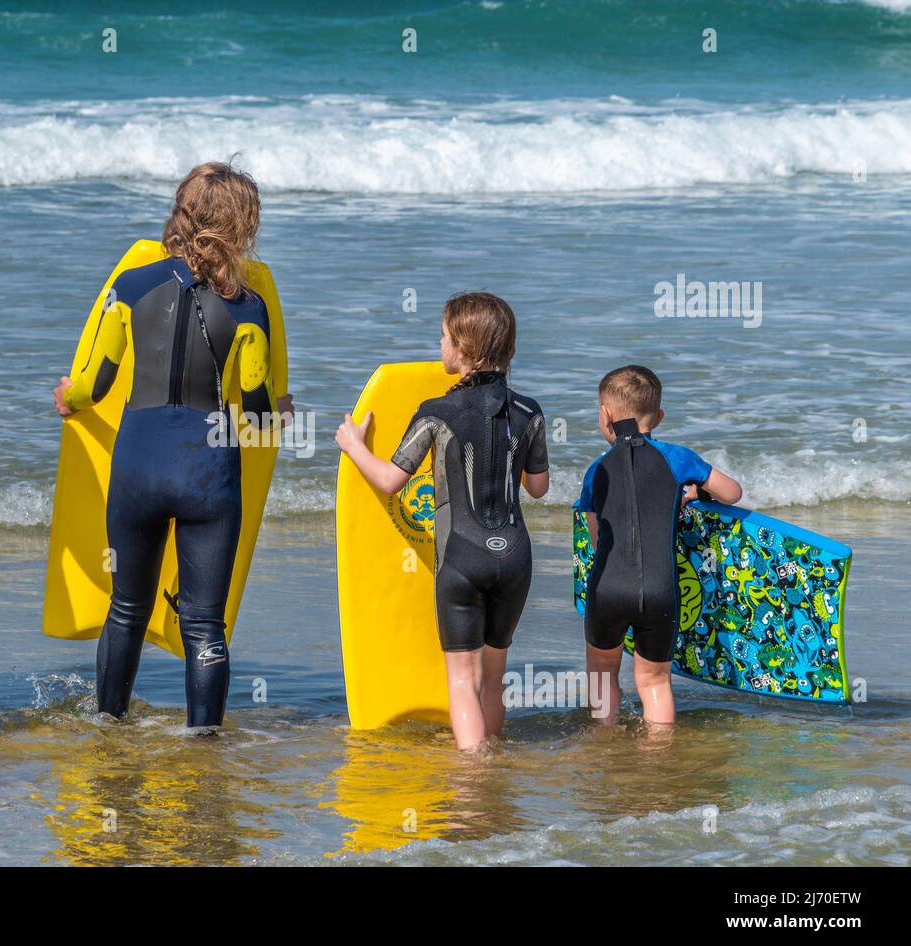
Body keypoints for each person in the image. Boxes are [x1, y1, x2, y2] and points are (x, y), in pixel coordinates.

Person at [52, 161, 291, 730]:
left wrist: (70, 398)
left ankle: (108, 726)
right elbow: (256, 412)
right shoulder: (248, 308)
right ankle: (203, 740)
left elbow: (96, 380)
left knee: (126, 610)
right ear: (240, 227)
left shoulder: (130, 287)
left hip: (138, 465)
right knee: (206, 623)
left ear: (179, 214)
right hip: (208, 471)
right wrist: (280, 412)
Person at [336, 292, 549, 751]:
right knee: (493, 679)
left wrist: (354, 447)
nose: (439, 343)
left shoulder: (437, 412)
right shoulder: (530, 412)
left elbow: (392, 481)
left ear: (465, 352)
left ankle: (474, 777)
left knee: (462, 681)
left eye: (445, 336)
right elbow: (538, 487)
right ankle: (492, 764)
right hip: (515, 558)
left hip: (462, 559)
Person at [578, 365, 741, 726]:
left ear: (605, 415)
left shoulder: (597, 470)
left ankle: (604, 744)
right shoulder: (678, 459)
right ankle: (660, 757)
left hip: (608, 588)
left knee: (603, 674)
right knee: (654, 680)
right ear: (660, 416)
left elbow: (595, 536)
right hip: (660, 590)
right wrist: (693, 493)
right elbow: (732, 492)